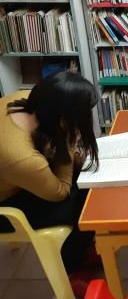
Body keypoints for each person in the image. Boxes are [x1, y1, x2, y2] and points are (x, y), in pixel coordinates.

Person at [0, 71, 99, 299]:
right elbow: (59, 192)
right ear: (63, 120)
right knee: (85, 199)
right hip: (6, 203)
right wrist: (69, 141)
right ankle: (74, 267)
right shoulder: (21, 157)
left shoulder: (27, 101)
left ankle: (84, 248)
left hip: (14, 178)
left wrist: (71, 151)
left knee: (83, 177)